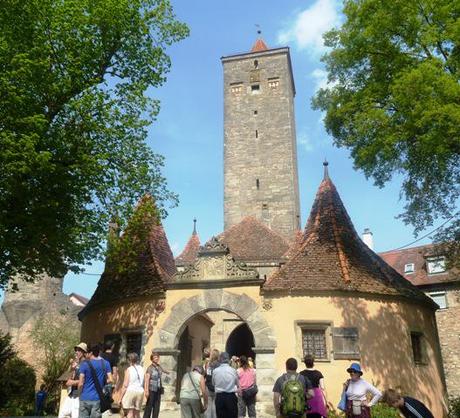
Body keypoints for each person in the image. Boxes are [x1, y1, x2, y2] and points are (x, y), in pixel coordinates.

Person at [78, 344, 113, 418]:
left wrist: (79, 394)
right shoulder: (106, 363)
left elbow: (81, 383)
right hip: (97, 399)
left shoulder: (84, 364)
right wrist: (102, 381)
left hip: (85, 397)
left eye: (87, 353)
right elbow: (111, 380)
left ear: (90, 353)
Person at [59, 342, 88, 418]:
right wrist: (72, 369)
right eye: (76, 350)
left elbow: (86, 380)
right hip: (71, 394)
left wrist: (72, 382)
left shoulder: (86, 364)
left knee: (75, 416)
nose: (76, 352)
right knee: (62, 414)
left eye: (79, 350)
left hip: (79, 395)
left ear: (83, 352)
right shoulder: (77, 364)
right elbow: (69, 377)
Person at [213, 352, 239, 418]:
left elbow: (213, 383)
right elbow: (237, 383)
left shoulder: (215, 371)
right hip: (231, 397)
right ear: (228, 359)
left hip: (220, 397)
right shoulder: (233, 370)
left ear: (220, 359)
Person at [120, 353, 144, 418]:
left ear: (129, 360)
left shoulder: (129, 369)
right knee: (137, 413)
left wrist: (120, 398)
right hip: (140, 391)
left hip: (131, 391)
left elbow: (125, 385)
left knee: (130, 412)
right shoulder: (142, 368)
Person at [143, 350, 167, 418]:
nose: (156, 358)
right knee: (149, 407)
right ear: (152, 359)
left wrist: (168, 375)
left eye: (157, 357)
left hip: (158, 389)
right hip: (151, 389)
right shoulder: (150, 368)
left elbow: (164, 373)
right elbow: (147, 379)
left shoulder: (159, 367)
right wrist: (146, 390)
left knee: (156, 407)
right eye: (155, 357)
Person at [205, 349, 220, 418]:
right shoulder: (219, 364)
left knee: (209, 405)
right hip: (217, 386)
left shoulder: (208, 364)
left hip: (208, 386)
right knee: (215, 405)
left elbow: (207, 374)